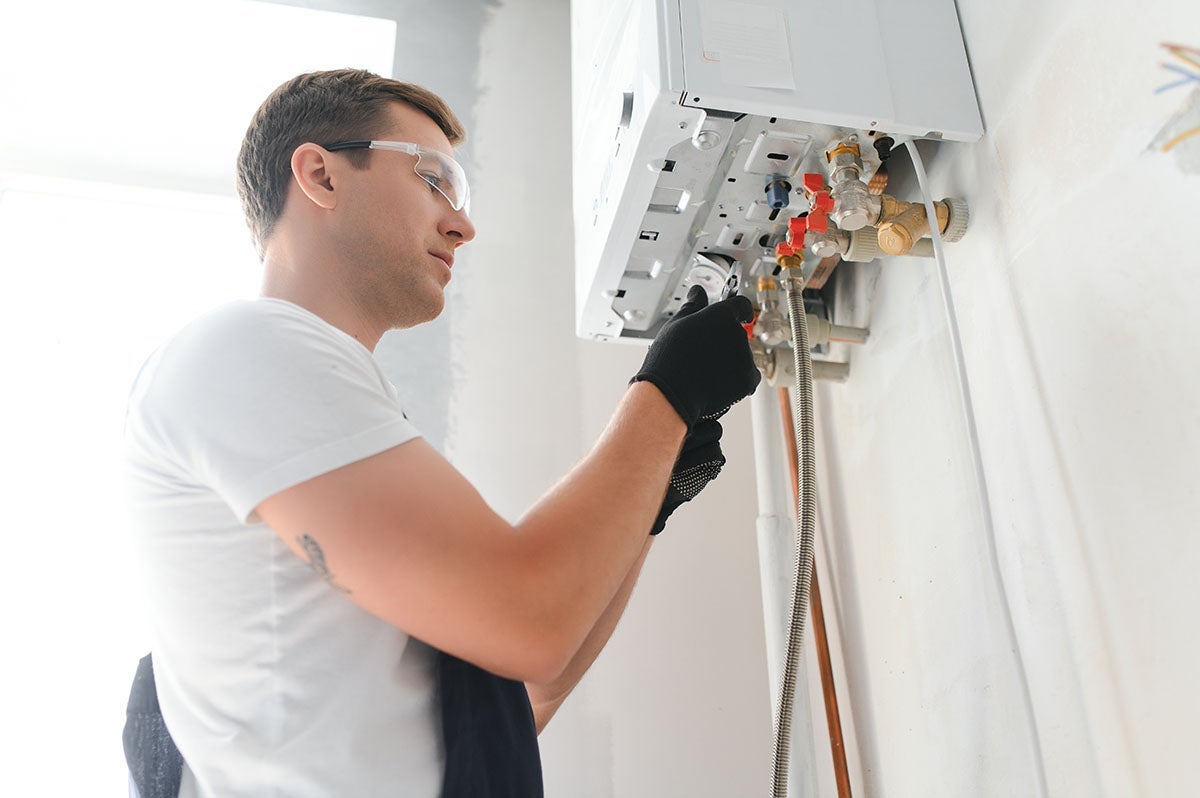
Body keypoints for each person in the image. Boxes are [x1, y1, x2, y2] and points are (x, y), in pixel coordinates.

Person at [122, 68, 759, 797]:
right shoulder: (245, 350)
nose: (463, 224)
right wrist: (666, 394)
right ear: (321, 175)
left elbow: (519, 693)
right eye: (434, 180)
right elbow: (529, 623)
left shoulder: (313, 403)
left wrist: (653, 494)